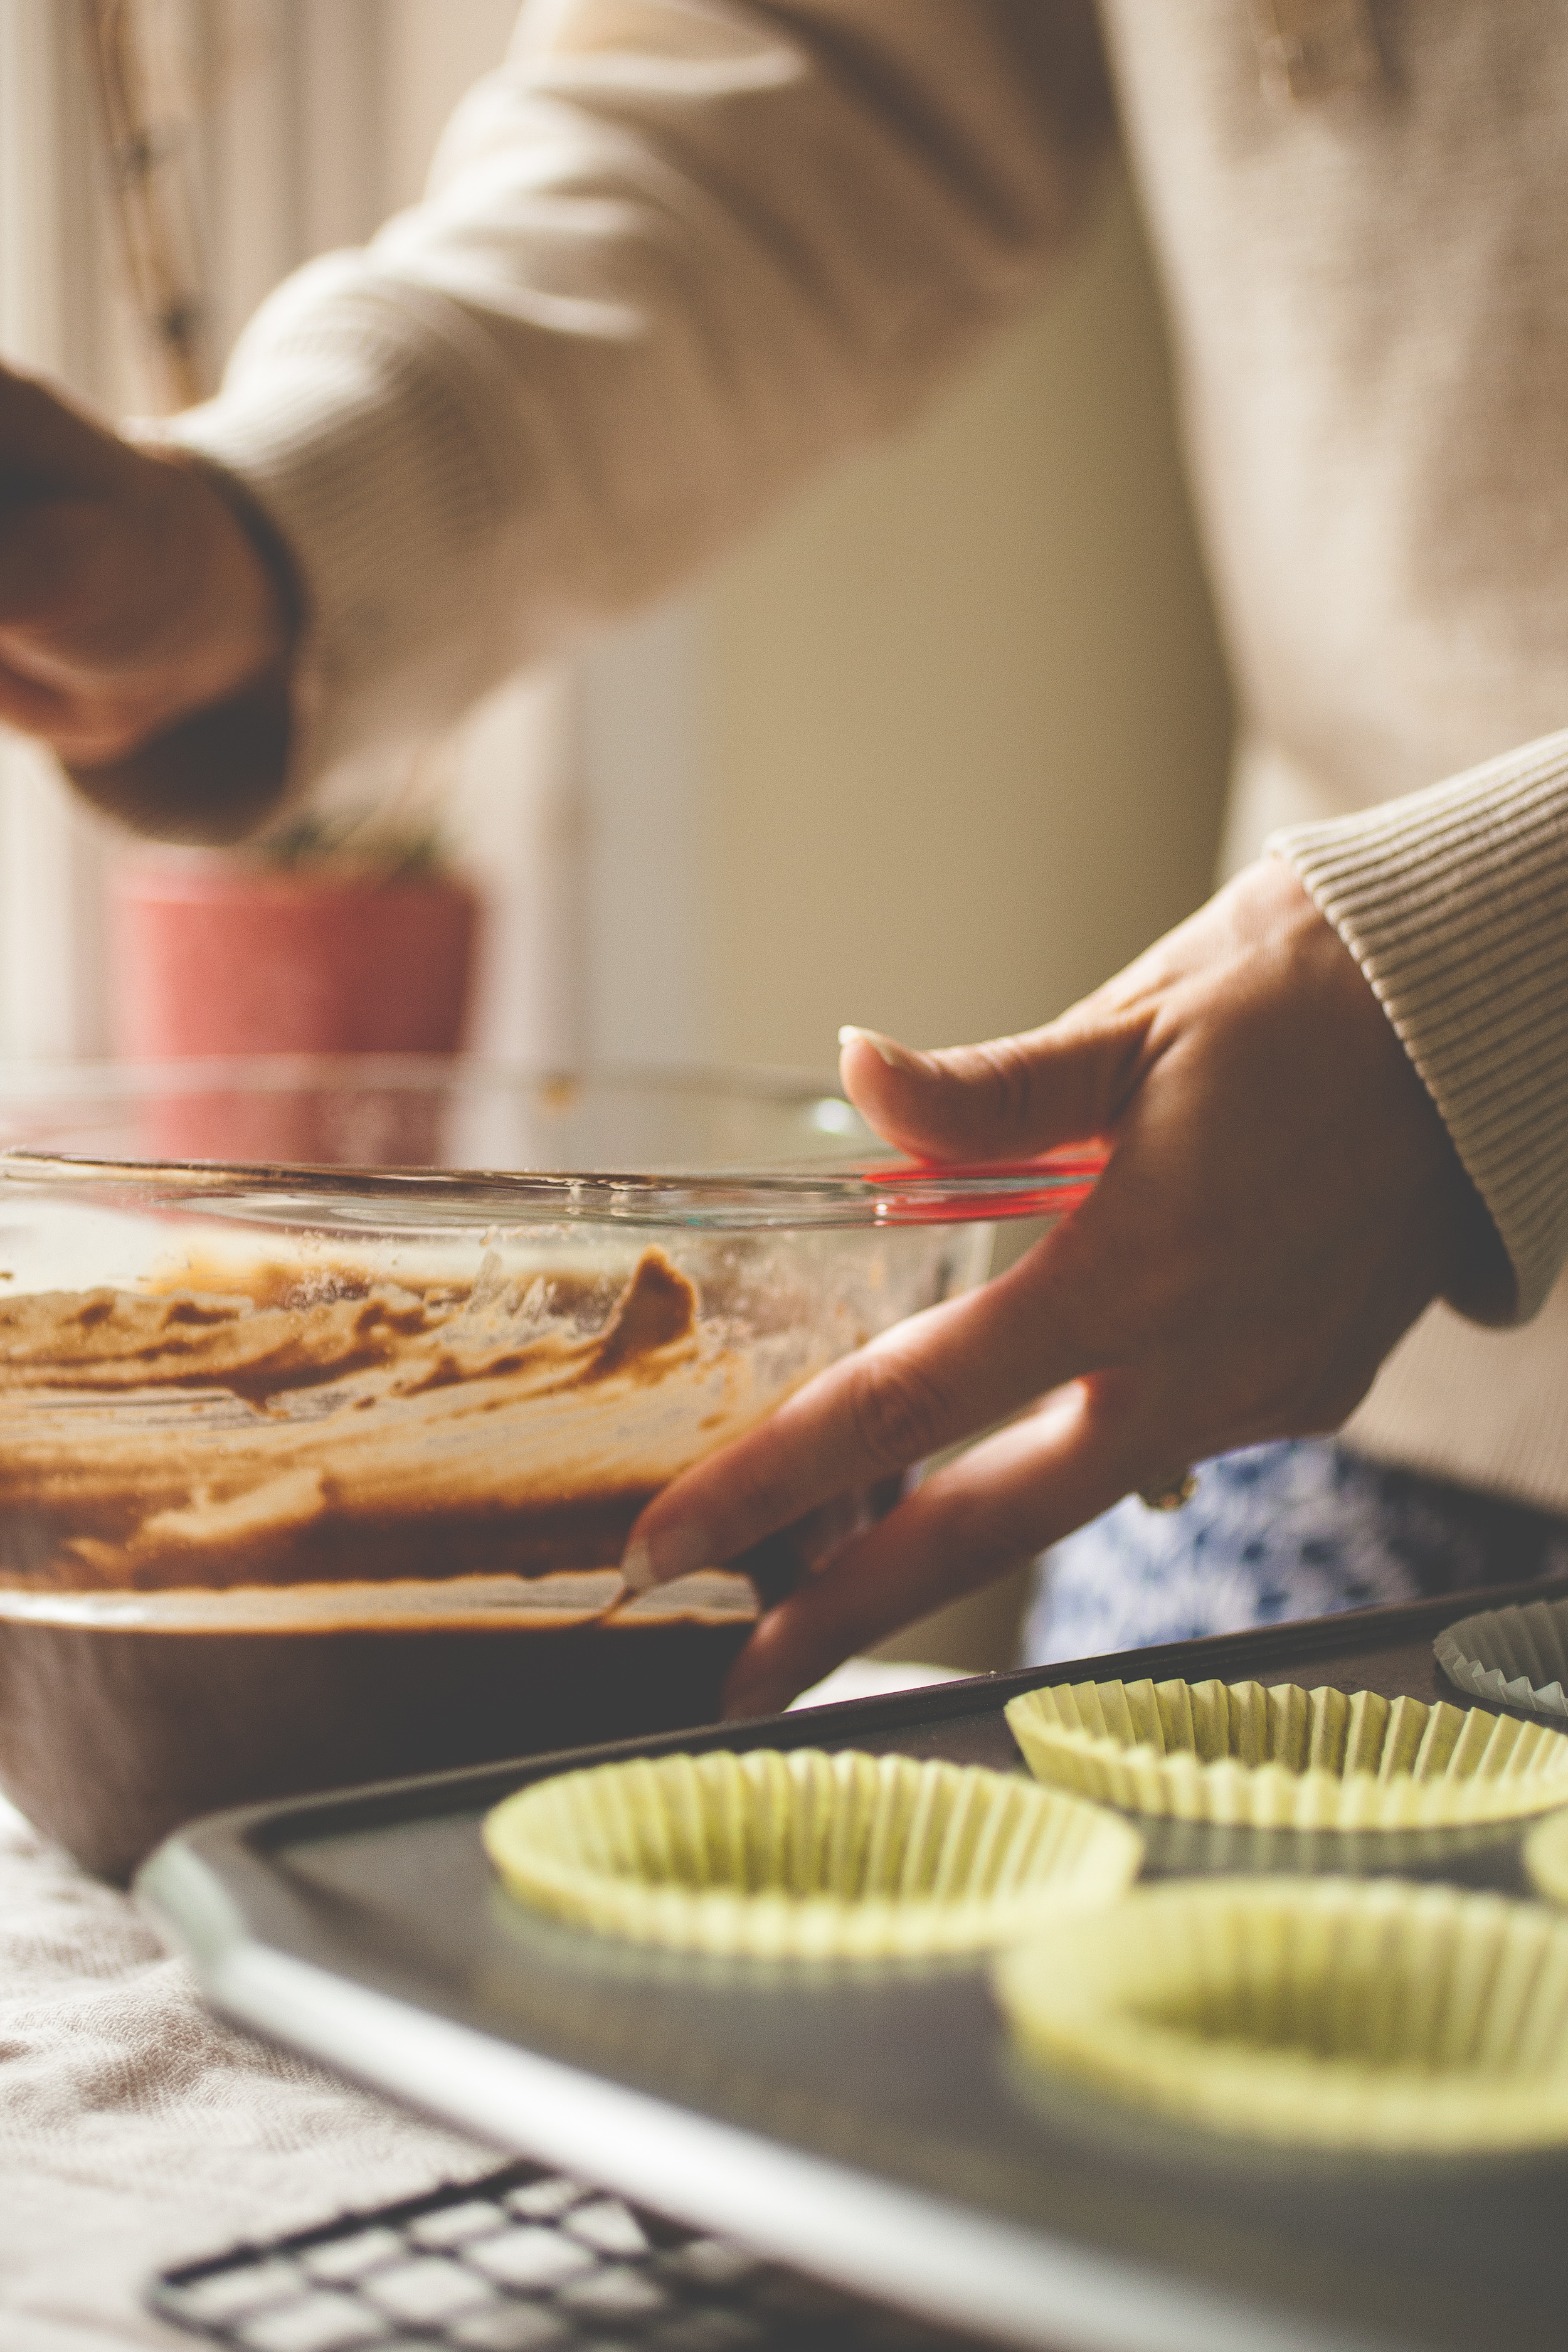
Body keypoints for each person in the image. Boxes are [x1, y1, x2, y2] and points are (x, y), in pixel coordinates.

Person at [2, 1, 1566, 1714]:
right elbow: (818, 70)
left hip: (1372, 1125)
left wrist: (1490, 972)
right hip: (1339, 1360)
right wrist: (270, 533)